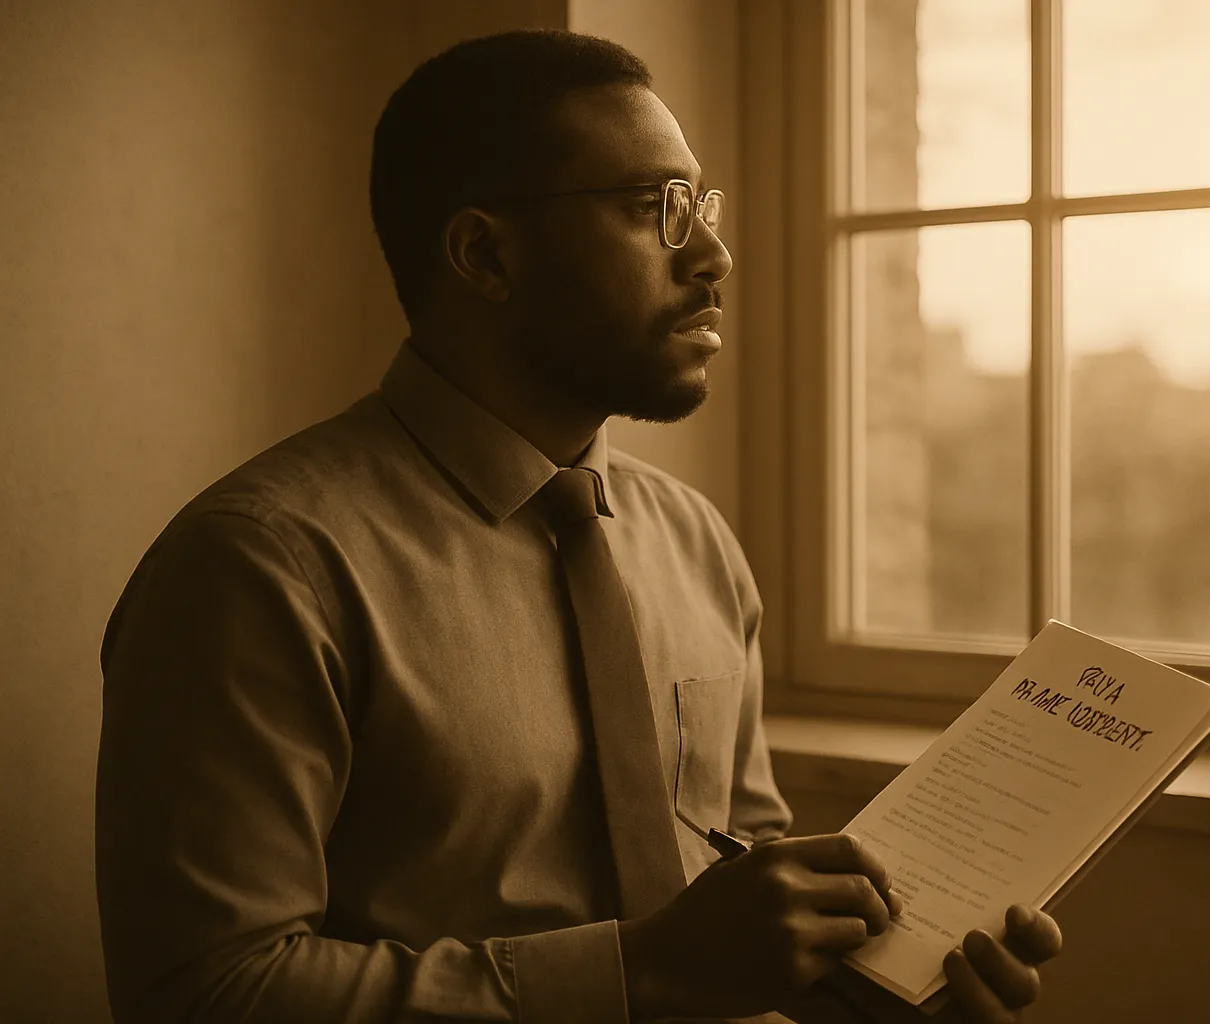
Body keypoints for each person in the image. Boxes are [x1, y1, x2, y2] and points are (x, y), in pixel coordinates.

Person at [94, 29, 1061, 1023]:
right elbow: (205, 993)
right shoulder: (256, 570)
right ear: (484, 254)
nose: (715, 256)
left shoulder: (697, 546)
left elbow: (739, 881)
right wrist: (642, 972)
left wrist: (879, 986)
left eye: (704, 207)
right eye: (658, 210)